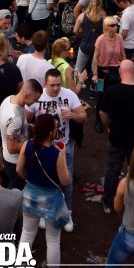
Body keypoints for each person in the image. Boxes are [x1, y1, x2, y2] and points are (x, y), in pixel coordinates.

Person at [18, 113, 72, 268]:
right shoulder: (57, 153)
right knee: (53, 240)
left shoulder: (27, 145)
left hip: (29, 195)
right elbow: (65, 181)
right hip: (51, 200)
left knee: (27, 233)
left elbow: (19, 169)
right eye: (55, 128)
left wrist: (31, 181)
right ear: (50, 132)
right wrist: (63, 158)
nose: (57, 130)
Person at [98, 59, 134, 213]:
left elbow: (102, 112)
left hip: (116, 138)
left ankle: (107, 201)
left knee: (112, 171)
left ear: (120, 73)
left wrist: (107, 127)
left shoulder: (111, 91)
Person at [29, 67, 87, 209]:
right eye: (52, 85)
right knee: (44, 180)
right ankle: (46, 209)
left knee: (67, 182)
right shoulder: (38, 96)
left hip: (63, 146)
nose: (56, 88)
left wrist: (73, 115)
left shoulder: (69, 95)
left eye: (58, 85)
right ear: (45, 84)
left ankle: (67, 210)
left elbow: (83, 117)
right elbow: (26, 119)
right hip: (43, 147)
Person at [0, 78, 41, 189]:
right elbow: (12, 148)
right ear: (27, 96)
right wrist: (34, 142)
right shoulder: (15, 117)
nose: (36, 103)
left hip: (9, 159)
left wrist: (29, 127)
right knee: (16, 191)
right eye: (35, 100)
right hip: (15, 162)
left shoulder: (9, 99)